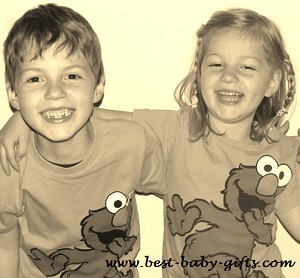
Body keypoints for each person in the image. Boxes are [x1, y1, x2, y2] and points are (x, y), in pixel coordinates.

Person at [1, 7, 300, 278]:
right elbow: (82, 113)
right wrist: (22, 120)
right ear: (198, 75)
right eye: (217, 64)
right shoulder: (173, 133)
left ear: (271, 82)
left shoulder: (280, 155)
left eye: (246, 67)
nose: (230, 77)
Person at [0, 4, 165, 277]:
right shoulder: (10, 163)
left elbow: (185, 179)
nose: (55, 92)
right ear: (13, 93)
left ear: (98, 85)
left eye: (72, 76)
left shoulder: (132, 142)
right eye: (35, 79)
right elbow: (5, 246)